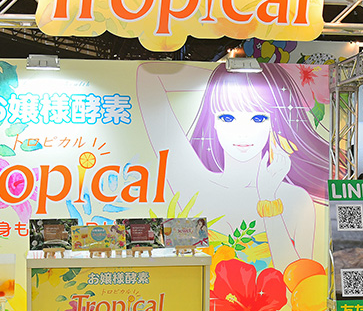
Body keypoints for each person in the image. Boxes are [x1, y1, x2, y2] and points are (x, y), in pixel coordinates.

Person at [138, 61, 328, 273]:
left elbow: (298, 281)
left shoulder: (295, 199)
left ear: (273, 123)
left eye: (258, 118)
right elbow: (148, 78)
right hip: (198, 295)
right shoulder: (195, 186)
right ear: (213, 121)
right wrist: (228, 74)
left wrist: (268, 200)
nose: (242, 132)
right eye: (227, 117)